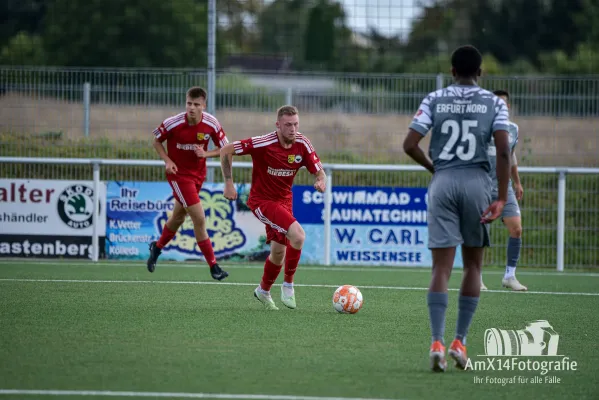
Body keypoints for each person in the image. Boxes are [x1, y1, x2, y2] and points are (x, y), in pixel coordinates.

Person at [403, 45, 511, 372]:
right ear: (481, 73)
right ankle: (459, 342)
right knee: (474, 267)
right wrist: (501, 198)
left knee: (441, 269)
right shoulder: (494, 102)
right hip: (478, 183)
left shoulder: (434, 99)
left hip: (443, 182)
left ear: (451, 71)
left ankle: (436, 341)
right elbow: (504, 152)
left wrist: (436, 169)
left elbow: (409, 145)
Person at [219, 105, 326, 310]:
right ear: (278, 125)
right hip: (262, 201)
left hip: (285, 201)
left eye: (295, 124)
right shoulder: (263, 143)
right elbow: (226, 150)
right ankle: (288, 285)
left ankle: (263, 291)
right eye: (288, 125)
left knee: (278, 253)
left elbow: (319, 172)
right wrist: (229, 183)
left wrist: (321, 181)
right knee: (299, 235)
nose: (293, 129)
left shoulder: (302, 143)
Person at [147, 86, 229, 281]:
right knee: (199, 219)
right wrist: (168, 161)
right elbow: (156, 141)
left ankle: (156, 248)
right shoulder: (173, 123)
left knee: (178, 218)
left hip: (197, 176)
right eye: (189, 103)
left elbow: (226, 148)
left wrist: (206, 154)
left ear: (204, 106)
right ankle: (213, 266)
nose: (191, 108)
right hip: (179, 176)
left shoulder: (211, 123)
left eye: (196, 104)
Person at [480, 90, 527, 292]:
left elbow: (511, 157)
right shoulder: (479, 126)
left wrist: (517, 182)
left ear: (507, 107)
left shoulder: (513, 129)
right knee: (480, 234)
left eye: (503, 104)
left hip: (504, 186)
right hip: (480, 185)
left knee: (516, 228)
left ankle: (509, 276)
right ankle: (476, 278)